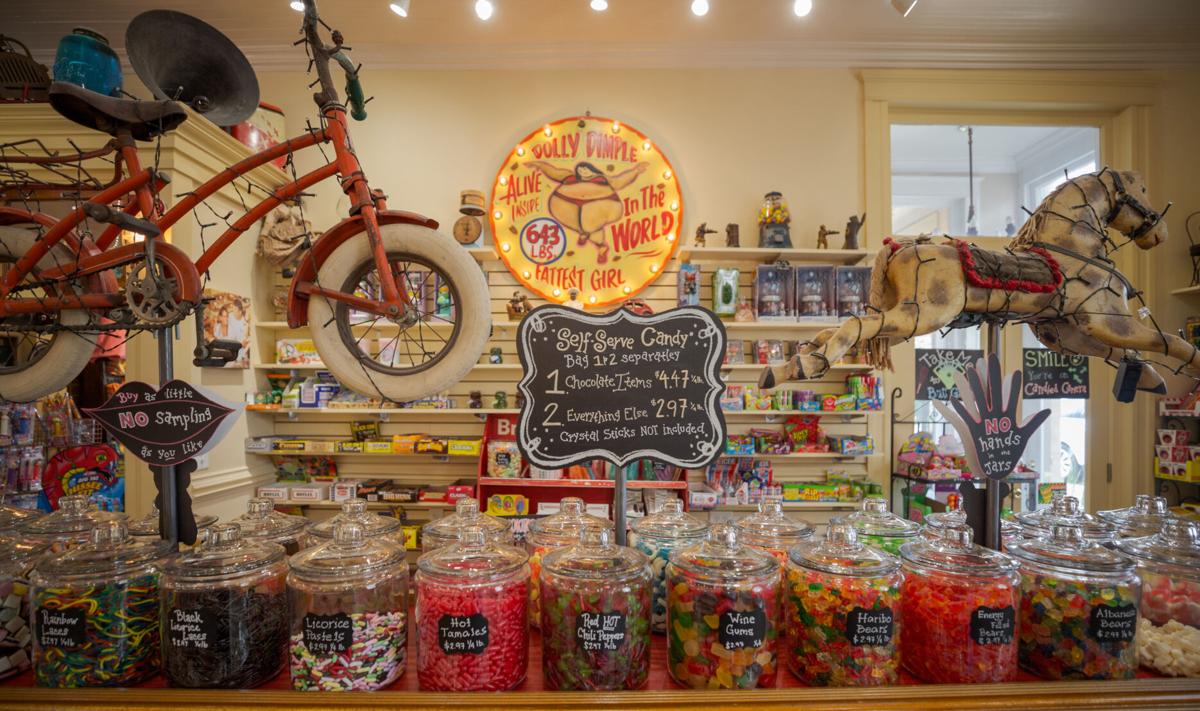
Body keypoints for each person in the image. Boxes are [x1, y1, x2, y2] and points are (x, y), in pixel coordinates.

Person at [527, 160, 648, 264]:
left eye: (585, 169)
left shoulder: (603, 179)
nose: (582, 172)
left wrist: (636, 171)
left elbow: (620, 181)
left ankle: (600, 246)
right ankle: (585, 233)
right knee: (581, 222)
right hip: (567, 204)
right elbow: (553, 171)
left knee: (592, 224)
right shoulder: (569, 176)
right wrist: (540, 165)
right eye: (579, 170)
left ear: (593, 170)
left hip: (599, 205)